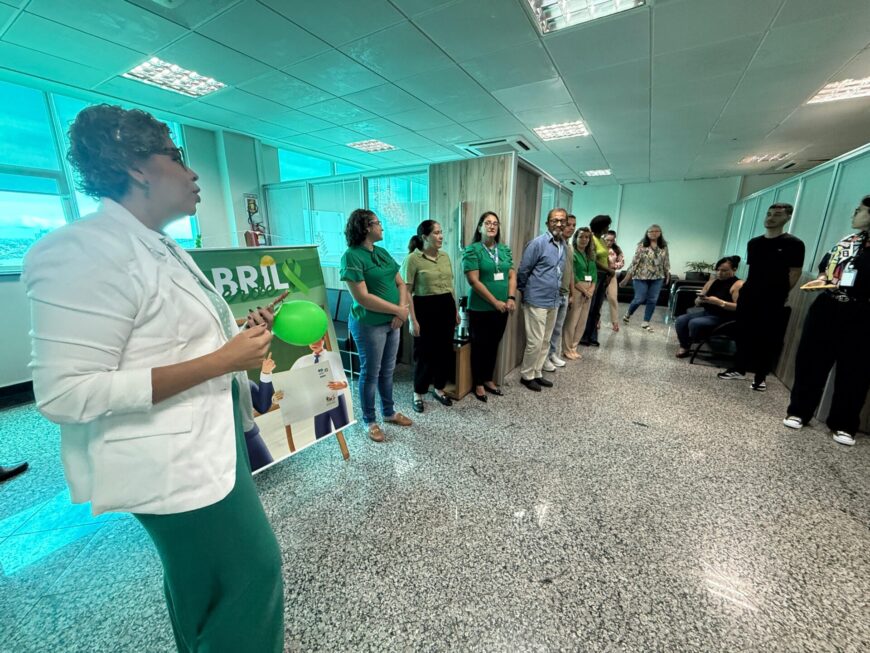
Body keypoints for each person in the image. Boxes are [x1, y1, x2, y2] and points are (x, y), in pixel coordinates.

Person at [22, 105, 284, 651]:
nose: (193, 175)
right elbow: (65, 393)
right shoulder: (82, 250)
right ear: (136, 167)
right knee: (250, 578)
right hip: (172, 461)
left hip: (212, 441)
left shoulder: (163, 247)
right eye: (177, 156)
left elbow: (171, 342)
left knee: (203, 587)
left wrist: (236, 338)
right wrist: (221, 361)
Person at [783, 195, 870, 446]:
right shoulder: (849, 242)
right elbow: (825, 269)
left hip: (863, 314)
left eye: (859, 210)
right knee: (811, 361)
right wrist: (821, 280)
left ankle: (844, 424)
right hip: (829, 307)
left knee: (856, 370)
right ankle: (799, 411)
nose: (854, 214)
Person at [340, 208, 414, 442]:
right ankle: (369, 421)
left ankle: (389, 412)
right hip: (369, 324)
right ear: (365, 227)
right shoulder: (351, 256)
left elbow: (401, 284)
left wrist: (401, 313)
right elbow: (362, 298)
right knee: (370, 373)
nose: (382, 227)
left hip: (393, 322)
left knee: (388, 370)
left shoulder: (381, 252)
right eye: (378, 223)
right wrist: (398, 310)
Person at [718, 204, 804, 391]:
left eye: (777, 215)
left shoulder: (794, 244)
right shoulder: (754, 243)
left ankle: (760, 376)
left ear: (787, 217)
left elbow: (795, 272)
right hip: (750, 294)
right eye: (769, 214)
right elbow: (754, 270)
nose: (771, 218)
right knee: (742, 331)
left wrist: (782, 292)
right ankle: (738, 369)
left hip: (773, 296)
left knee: (767, 337)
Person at [402, 219, 458, 413]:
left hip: (446, 306)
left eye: (441, 232)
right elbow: (406, 291)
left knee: (444, 351)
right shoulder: (413, 259)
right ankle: (418, 393)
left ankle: (439, 388)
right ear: (424, 237)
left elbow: (451, 285)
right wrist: (412, 319)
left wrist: (456, 310)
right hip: (424, 307)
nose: (441, 236)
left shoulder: (445, 257)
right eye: (436, 232)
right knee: (424, 353)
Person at [463, 211, 517, 401]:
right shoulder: (472, 250)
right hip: (481, 308)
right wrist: (495, 302)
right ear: (480, 228)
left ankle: (488, 378)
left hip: (503, 307)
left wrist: (511, 298)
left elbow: (511, 275)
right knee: (480, 346)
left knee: (494, 344)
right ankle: (477, 383)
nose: (492, 226)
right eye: (487, 223)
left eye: (495, 223)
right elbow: (474, 281)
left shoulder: (504, 250)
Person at [516, 208, 568, 391]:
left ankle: (537, 373)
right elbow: (523, 270)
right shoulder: (537, 243)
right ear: (548, 223)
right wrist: (526, 292)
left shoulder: (564, 245)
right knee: (535, 341)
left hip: (554, 300)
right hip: (536, 299)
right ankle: (527, 375)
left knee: (546, 340)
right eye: (555, 220)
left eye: (562, 220)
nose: (559, 224)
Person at [281, 336, 351, 438]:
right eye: (311, 340)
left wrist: (343, 384)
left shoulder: (334, 356)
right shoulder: (302, 361)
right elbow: (288, 380)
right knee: (321, 435)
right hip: (318, 402)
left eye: (317, 339)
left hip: (336, 399)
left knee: (344, 431)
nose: (314, 343)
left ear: (323, 339)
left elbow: (346, 376)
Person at [674, 256, 743, 358]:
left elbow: (740, 308)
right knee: (680, 320)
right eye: (718, 270)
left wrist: (720, 302)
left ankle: (692, 340)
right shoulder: (711, 282)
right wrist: (699, 300)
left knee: (695, 323)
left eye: (724, 270)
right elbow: (697, 302)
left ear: (734, 269)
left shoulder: (738, 284)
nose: (719, 273)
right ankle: (685, 346)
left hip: (725, 318)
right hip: (708, 313)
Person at [545, 213, 577, 370]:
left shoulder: (568, 247)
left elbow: (570, 271)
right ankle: (544, 358)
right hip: (553, 293)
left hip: (564, 293)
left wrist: (571, 293)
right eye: (568, 224)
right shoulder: (553, 245)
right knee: (549, 330)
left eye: (573, 225)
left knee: (557, 329)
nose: (570, 227)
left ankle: (552, 354)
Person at [562, 227, 597, 360]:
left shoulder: (591, 255)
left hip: (589, 290)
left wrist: (591, 290)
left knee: (582, 321)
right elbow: (572, 275)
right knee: (572, 320)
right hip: (577, 288)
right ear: (576, 238)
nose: (584, 240)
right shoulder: (572, 253)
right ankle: (566, 348)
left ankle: (574, 347)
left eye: (587, 237)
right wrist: (584, 290)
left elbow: (594, 275)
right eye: (581, 236)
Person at [579, 215, 613, 346]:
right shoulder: (591, 239)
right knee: (590, 307)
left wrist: (609, 273)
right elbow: (593, 259)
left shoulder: (602, 240)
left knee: (597, 308)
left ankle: (592, 335)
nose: (608, 228)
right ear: (601, 226)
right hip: (595, 275)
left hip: (604, 276)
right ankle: (584, 336)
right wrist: (609, 271)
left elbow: (606, 258)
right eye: (607, 225)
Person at [245, 354, 277, 471]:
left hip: (249, 436)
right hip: (224, 443)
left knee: (270, 472)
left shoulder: (246, 383)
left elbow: (263, 406)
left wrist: (266, 373)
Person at [603, 230, 624, 332]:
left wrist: (613, 266)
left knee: (612, 298)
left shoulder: (616, 249)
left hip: (611, 275)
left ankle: (615, 321)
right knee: (597, 299)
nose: (609, 242)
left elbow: (621, 262)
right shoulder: (599, 247)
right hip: (599, 274)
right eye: (607, 240)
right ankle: (596, 320)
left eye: (612, 240)